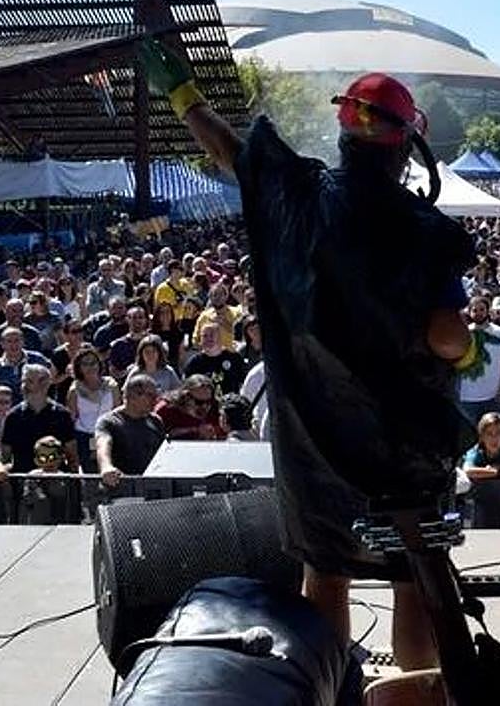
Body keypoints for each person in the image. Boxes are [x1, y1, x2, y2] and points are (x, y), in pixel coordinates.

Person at [142, 40, 475, 669]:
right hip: (403, 447)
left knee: (324, 574)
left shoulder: (297, 195)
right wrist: (470, 349)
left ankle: (323, 690)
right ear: (406, 144)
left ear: (344, 132)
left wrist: (182, 93)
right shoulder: (426, 230)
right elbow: (446, 338)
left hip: (314, 442)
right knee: (413, 579)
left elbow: (231, 151)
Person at [0, 365, 78, 473]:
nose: (24, 386)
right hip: (23, 478)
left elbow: (72, 455)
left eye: (30, 381)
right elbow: (5, 456)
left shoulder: (62, 415)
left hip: (56, 479)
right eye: (24, 381)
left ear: (46, 383)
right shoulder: (13, 417)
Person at [97, 374, 167, 485]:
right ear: (132, 396)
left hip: (152, 486)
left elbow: (164, 451)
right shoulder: (109, 421)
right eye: (150, 395)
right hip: (122, 487)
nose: (155, 400)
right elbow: (103, 444)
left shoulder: (155, 421)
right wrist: (106, 467)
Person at [457, 295, 500, 429]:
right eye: (474, 310)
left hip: (492, 396)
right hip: (467, 397)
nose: (478, 313)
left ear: (488, 311)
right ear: (469, 312)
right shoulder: (464, 333)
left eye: (481, 309)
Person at [66, 347, 120, 473]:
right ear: (78, 367)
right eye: (85, 364)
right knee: (90, 475)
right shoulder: (74, 390)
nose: (90, 367)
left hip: (108, 434)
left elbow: (117, 411)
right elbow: (72, 418)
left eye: (93, 363)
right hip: (84, 437)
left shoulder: (111, 385)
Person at [183, 322, 246, 396]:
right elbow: (187, 388)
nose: (209, 338)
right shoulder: (194, 363)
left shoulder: (234, 358)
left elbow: (244, 383)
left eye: (212, 335)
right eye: (205, 336)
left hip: (229, 404)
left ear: (220, 337)